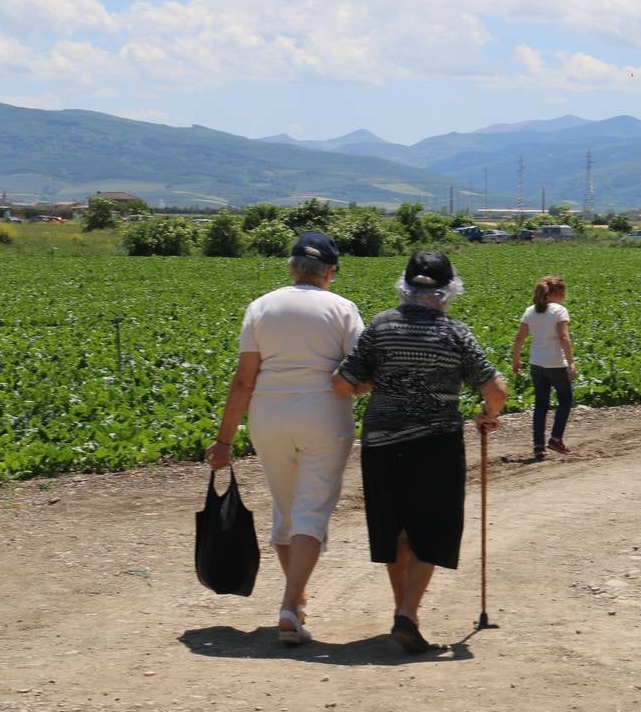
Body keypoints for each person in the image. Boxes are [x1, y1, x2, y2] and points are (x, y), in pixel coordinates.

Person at [334, 251, 507, 654]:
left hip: (382, 441)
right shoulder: (455, 333)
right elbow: (495, 391)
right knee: (430, 528)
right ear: (449, 291)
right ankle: (407, 614)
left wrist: (371, 385)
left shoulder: (380, 326)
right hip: (436, 445)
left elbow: (342, 383)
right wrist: (487, 415)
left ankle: (403, 611)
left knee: (395, 528)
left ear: (405, 286)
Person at [206, 232, 364, 646]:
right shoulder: (343, 309)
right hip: (324, 415)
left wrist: (223, 442)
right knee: (312, 510)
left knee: (286, 508)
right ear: (330, 272)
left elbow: (243, 380)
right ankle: (291, 605)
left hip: (268, 416)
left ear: (292, 268)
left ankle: (297, 598)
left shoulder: (261, 307)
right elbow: (361, 373)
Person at [510, 275, 576, 460]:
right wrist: (571, 362)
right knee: (565, 400)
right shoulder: (559, 311)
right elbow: (564, 337)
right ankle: (555, 439)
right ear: (557, 293)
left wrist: (516, 359)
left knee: (541, 405)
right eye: (563, 293)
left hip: (536, 363)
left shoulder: (530, 311)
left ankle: (538, 446)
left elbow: (519, 338)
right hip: (556, 363)